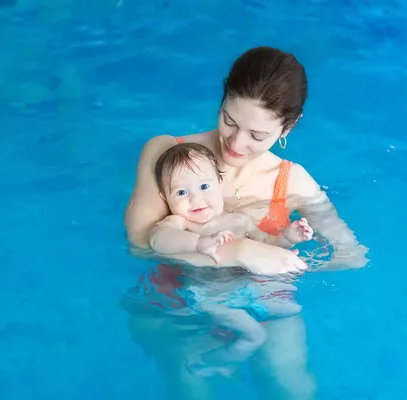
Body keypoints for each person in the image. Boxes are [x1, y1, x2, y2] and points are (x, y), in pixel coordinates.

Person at [123, 46, 368, 400]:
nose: (235, 144)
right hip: (176, 296)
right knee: (191, 381)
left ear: (289, 126)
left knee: (291, 384)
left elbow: (351, 254)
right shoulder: (168, 155)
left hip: (266, 301)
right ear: (222, 99)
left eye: (257, 135)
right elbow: (141, 244)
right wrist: (242, 250)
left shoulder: (293, 181)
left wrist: (289, 257)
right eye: (229, 120)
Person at [149, 141, 315, 377]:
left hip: (245, 286)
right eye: (181, 192)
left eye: (204, 186)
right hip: (213, 297)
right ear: (164, 197)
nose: (196, 200)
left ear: (220, 184)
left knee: (289, 308)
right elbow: (158, 239)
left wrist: (288, 238)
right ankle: (215, 362)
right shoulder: (181, 224)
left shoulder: (239, 220)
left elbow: (266, 246)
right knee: (255, 335)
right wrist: (197, 242)